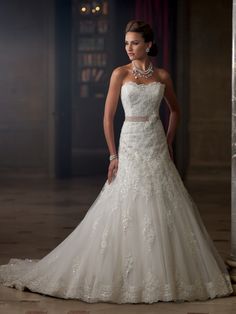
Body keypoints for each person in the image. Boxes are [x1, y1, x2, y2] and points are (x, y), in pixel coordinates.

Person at [0, 20, 233, 304]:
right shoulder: (119, 74)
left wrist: (168, 141)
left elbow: (175, 111)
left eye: (135, 42)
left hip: (155, 141)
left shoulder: (162, 76)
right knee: (126, 199)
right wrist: (113, 155)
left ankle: (164, 273)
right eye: (126, 43)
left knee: (163, 202)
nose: (129, 48)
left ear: (148, 44)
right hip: (130, 140)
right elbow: (108, 118)